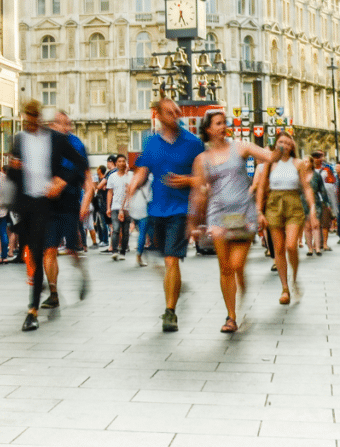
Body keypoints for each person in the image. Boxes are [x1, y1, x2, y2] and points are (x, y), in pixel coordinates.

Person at [188, 110, 287, 333]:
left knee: (236, 265)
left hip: (243, 214)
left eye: (225, 123)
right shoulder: (202, 159)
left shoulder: (240, 147)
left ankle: (239, 293)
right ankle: (231, 317)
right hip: (218, 216)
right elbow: (200, 192)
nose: (224, 127)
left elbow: (268, 157)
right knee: (225, 268)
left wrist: (280, 145)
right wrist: (193, 223)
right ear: (208, 129)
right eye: (218, 123)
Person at [125, 98, 205, 332]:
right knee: (160, 258)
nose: (175, 116)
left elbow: (206, 176)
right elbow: (143, 170)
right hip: (156, 210)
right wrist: (131, 189)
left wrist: (189, 180)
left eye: (177, 112)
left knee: (171, 259)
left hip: (180, 210)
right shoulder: (151, 143)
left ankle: (170, 312)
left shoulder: (193, 143)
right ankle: (175, 287)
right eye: (169, 112)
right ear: (157, 114)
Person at [8, 100, 88, 331]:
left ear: (39, 117)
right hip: (26, 207)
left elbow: (79, 162)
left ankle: (32, 310)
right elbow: (12, 175)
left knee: (43, 251)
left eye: (33, 117)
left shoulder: (55, 139)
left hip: (48, 204)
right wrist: (14, 168)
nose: (29, 121)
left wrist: (61, 181)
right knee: (32, 255)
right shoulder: (19, 140)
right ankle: (46, 291)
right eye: (26, 117)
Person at [256, 132, 318, 305]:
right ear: (276, 144)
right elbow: (261, 188)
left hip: (293, 203)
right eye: (281, 142)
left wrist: (312, 209)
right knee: (279, 248)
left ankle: (295, 278)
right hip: (274, 204)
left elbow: (306, 188)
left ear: (292, 146)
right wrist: (259, 211)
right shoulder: (269, 163)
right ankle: (285, 288)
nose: (284, 145)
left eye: (288, 143)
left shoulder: (298, 163)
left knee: (291, 245)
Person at [41, 110, 93, 308]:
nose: (67, 127)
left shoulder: (77, 144)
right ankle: (53, 293)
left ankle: (81, 272)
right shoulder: (47, 143)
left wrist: (85, 203)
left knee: (71, 248)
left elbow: (88, 181)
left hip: (70, 202)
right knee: (50, 249)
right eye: (62, 123)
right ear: (54, 124)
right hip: (50, 203)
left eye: (69, 123)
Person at [105, 155, 134, 261]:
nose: (121, 163)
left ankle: (123, 252)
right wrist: (108, 207)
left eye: (123, 161)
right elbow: (109, 192)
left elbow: (133, 190)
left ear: (126, 163)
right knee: (116, 229)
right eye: (119, 161)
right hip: (115, 207)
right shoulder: (112, 176)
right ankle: (115, 251)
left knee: (126, 231)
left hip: (127, 208)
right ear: (116, 163)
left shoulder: (130, 175)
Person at [303, 154, 330, 257]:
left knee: (316, 225)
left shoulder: (316, 175)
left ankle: (317, 248)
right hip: (303, 202)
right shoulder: (300, 175)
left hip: (315, 202)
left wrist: (327, 203)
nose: (304, 163)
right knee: (307, 227)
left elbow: (322, 190)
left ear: (311, 163)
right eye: (303, 162)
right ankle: (310, 248)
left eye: (307, 161)